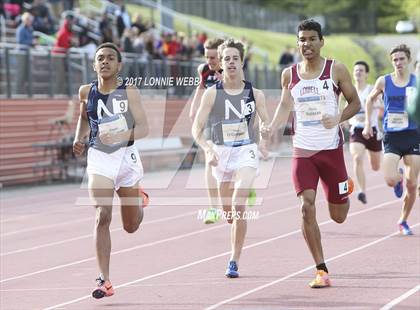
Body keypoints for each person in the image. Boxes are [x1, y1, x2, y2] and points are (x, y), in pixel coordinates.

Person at [263, 19, 360, 288]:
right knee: (306, 206)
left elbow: (356, 102)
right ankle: (321, 269)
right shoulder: (289, 74)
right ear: (298, 43)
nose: (306, 44)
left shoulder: (335, 69)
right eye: (302, 39)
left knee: (338, 216)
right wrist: (271, 127)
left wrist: (339, 117)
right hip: (303, 152)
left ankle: (343, 188)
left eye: (311, 39)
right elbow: (284, 105)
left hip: (331, 152)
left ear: (321, 41)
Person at [72, 42, 149, 299]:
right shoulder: (85, 91)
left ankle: (138, 198)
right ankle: (104, 280)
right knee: (102, 215)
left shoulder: (129, 91)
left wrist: (119, 134)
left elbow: (143, 129)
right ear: (94, 65)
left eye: (110, 58)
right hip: (99, 159)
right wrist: (79, 137)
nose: (104, 62)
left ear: (119, 65)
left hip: (126, 158)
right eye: (100, 58)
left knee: (131, 226)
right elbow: (84, 117)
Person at [192, 39, 269, 278]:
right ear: (221, 64)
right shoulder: (212, 94)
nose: (231, 62)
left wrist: (264, 138)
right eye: (227, 59)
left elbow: (265, 122)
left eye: (235, 58)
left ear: (242, 61)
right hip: (221, 152)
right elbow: (197, 127)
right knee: (229, 213)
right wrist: (207, 148)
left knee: (238, 205)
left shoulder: (255, 93)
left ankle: (234, 260)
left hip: (246, 149)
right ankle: (232, 217)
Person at [363, 44, 419, 235]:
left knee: (412, 186)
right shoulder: (384, 81)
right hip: (392, 136)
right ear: (391, 62)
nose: (398, 62)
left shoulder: (416, 81)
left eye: (402, 59)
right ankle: (398, 178)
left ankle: (403, 221)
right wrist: (368, 124)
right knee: (389, 179)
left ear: (408, 60)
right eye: (395, 59)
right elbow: (369, 100)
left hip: (413, 135)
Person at [189, 38, 224, 224]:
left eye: (213, 57)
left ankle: (246, 186)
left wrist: (225, 81)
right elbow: (200, 87)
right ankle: (213, 208)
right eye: (207, 56)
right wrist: (194, 108)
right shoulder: (203, 70)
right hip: (211, 120)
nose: (210, 60)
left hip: (233, 121)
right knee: (210, 160)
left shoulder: (231, 68)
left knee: (234, 165)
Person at [348, 61, 382, 204]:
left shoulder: (371, 90)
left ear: (366, 74)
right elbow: (347, 109)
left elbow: (381, 106)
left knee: (376, 167)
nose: (358, 73)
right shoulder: (350, 91)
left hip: (372, 130)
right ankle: (361, 191)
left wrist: (373, 106)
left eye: (361, 70)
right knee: (356, 158)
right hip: (357, 130)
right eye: (356, 70)